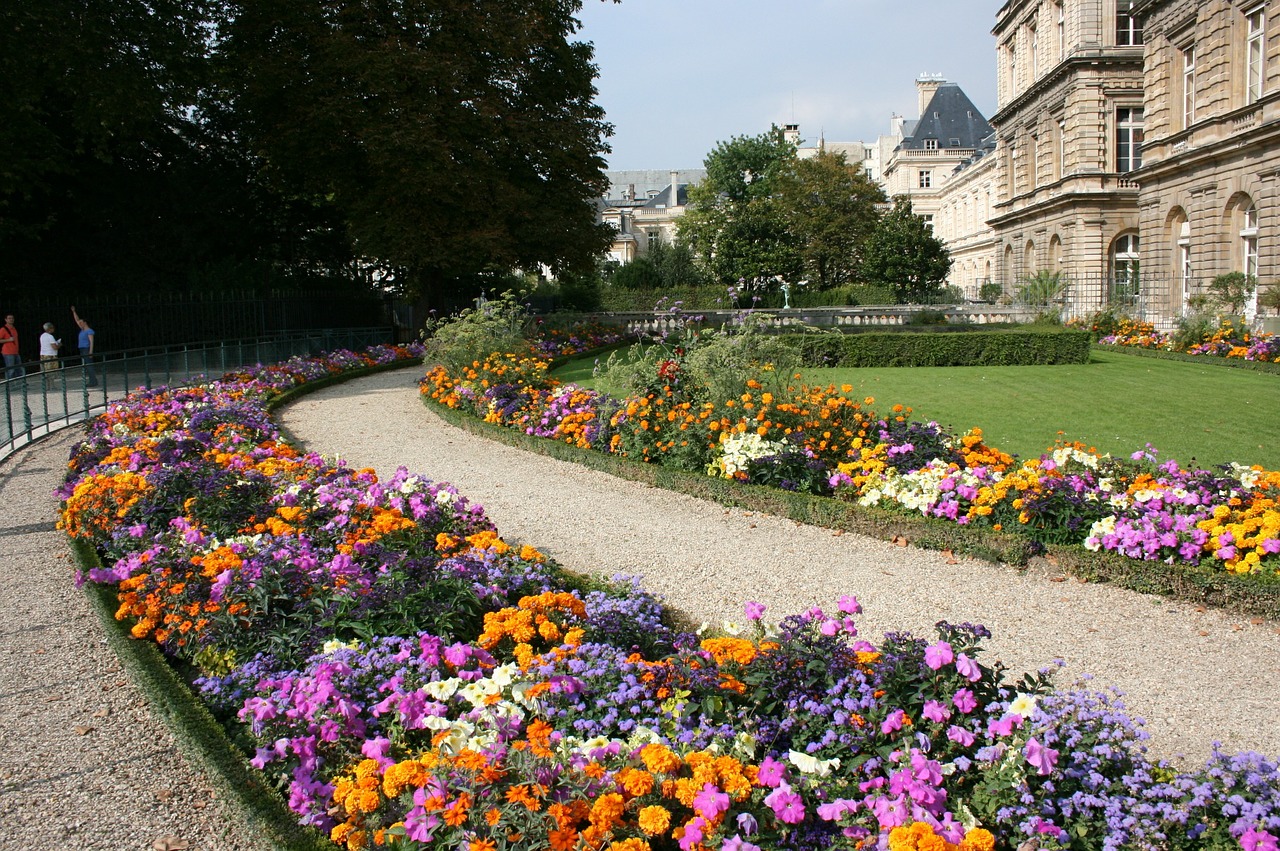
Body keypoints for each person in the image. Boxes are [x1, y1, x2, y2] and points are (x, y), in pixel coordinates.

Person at [71, 305, 97, 387]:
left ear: (85, 323)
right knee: (86, 365)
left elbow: (91, 341)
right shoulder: (83, 330)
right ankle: (92, 380)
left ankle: (93, 381)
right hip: (82, 349)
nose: (80, 323)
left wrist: (90, 352)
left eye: (81, 322)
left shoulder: (89, 331)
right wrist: (74, 312)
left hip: (86, 349)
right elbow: (77, 320)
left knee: (89, 365)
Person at [0, 313, 21, 378]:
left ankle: (19, 385)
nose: (11, 320)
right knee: (11, 370)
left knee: (19, 369)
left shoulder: (14, 328)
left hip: (15, 351)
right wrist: (8, 340)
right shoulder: (3, 329)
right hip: (8, 352)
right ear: (6, 320)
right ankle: (9, 386)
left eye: (12, 318)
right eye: (9, 318)